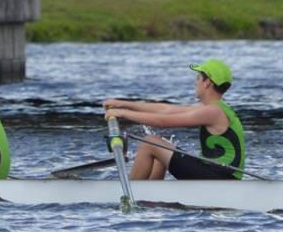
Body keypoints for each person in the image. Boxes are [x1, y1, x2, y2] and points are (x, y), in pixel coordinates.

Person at [102, 59, 245, 181]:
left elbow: (162, 122)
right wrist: (123, 104)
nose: (195, 83)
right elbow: (166, 110)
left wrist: (123, 113)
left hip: (221, 178)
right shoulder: (215, 108)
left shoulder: (212, 111)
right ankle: (151, 198)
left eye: (198, 78)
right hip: (216, 174)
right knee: (163, 147)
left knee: (149, 143)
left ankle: (128, 193)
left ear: (207, 82)